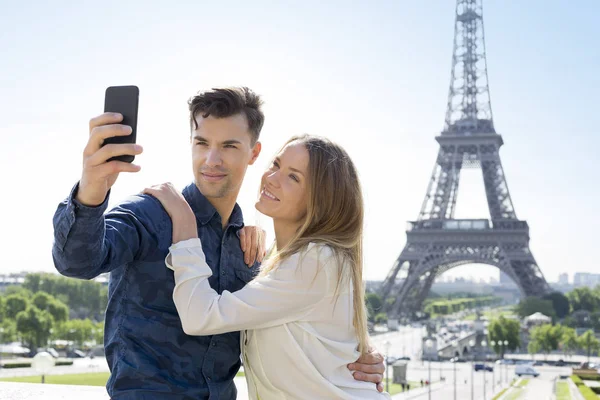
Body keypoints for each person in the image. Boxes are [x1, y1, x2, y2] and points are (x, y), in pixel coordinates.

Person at [52, 87, 385, 399]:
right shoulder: (151, 213)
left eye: (228, 146)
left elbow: (306, 328)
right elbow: (76, 261)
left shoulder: (256, 253)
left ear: (253, 153)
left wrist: (358, 356)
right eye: (201, 143)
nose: (212, 160)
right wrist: (92, 189)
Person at [144, 134, 392, 399]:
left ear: (321, 200)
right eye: (276, 164)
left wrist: (184, 223)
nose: (272, 178)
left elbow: (201, 316)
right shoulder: (294, 260)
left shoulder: (318, 261)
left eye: (293, 177)